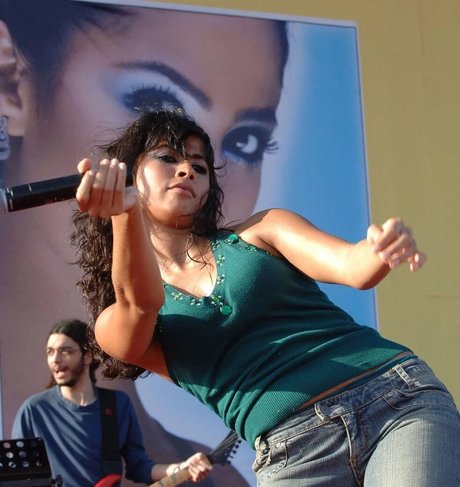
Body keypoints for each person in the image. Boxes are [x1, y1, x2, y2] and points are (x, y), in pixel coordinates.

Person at [71, 108, 460, 487]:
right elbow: (140, 304)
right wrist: (126, 214)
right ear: (128, 174)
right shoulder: (112, 324)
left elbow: (353, 266)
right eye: (168, 158)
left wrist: (379, 249)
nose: (187, 170)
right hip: (291, 454)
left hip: (394, 401)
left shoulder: (261, 230)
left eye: (200, 167)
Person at [0, 2, 287, 483]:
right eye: (151, 102)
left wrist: (176, 470)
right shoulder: (33, 413)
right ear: (12, 83)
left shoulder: (219, 476)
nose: (190, 174)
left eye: (244, 141)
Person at [12, 319, 212, 487]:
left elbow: (139, 467)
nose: (55, 359)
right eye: (50, 352)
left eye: (66, 351)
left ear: (87, 356)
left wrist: (181, 468)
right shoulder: (33, 410)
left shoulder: (117, 404)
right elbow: (20, 476)